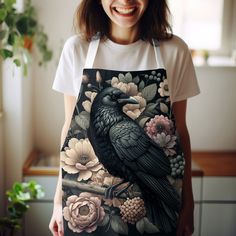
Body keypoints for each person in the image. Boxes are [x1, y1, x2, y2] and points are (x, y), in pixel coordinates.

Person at [49, 0, 200, 236]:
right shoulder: (76, 49)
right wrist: (59, 201)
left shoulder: (175, 50)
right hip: (84, 212)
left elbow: (180, 131)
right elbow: (69, 130)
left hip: (159, 214)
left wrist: (188, 203)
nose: (126, 0)